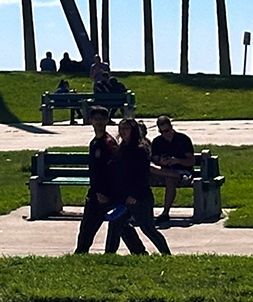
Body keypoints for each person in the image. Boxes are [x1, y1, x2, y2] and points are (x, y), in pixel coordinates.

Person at [73, 109, 145, 255]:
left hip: (108, 192)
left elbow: (114, 169)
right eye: (96, 119)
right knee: (91, 225)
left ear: (107, 121)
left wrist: (105, 192)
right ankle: (81, 252)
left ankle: (138, 251)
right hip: (96, 191)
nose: (98, 122)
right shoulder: (94, 143)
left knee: (116, 223)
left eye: (102, 119)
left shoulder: (108, 143)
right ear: (91, 121)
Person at [105, 118, 171, 256]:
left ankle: (166, 254)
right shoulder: (121, 148)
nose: (123, 132)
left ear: (133, 131)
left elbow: (142, 175)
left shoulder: (140, 149)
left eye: (126, 129)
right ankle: (112, 254)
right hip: (123, 196)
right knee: (116, 223)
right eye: (121, 129)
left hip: (140, 197)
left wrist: (134, 195)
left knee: (147, 228)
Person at [149, 115, 196, 223]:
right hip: (163, 171)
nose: (165, 134)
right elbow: (155, 159)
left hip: (182, 170)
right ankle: (141, 212)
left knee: (170, 180)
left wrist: (177, 160)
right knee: (144, 177)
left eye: (166, 131)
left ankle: (165, 213)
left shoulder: (183, 139)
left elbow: (191, 161)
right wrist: (161, 161)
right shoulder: (157, 141)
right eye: (161, 132)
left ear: (171, 127)